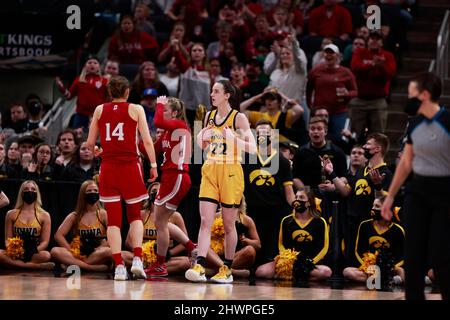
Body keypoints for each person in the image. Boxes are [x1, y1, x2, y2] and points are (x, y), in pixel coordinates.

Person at [381, 72, 450, 300]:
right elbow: (406, 162)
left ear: (425, 95)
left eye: (412, 93)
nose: (408, 98)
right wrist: (390, 196)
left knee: (441, 256)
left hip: (444, 193)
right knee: (413, 256)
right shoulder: (415, 123)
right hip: (417, 192)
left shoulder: (447, 121)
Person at [86, 75, 158, 281]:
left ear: (110, 93)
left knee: (113, 222)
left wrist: (99, 152)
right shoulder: (136, 109)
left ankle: (118, 266)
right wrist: (153, 165)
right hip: (130, 166)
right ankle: (137, 259)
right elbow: (147, 140)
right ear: (127, 92)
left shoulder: (100, 109)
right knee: (135, 216)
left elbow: (90, 144)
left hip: (108, 167)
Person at [185, 80, 257, 283]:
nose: (212, 94)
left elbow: (252, 148)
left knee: (228, 225)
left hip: (231, 170)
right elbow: (202, 145)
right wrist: (201, 137)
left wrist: (233, 139)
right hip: (210, 167)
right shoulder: (209, 116)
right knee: (206, 221)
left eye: (216, 91)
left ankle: (227, 268)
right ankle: (199, 265)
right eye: (211, 91)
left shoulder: (239, 118)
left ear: (227, 95)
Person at [144, 95, 195, 277]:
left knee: (160, 221)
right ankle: (191, 247)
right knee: (161, 221)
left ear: (174, 113)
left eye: (166, 110)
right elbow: (149, 150)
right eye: (163, 109)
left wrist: (159, 103)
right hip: (169, 177)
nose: (162, 112)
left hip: (178, 177)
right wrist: (134, 140)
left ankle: (161, 264)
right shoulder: (167, 133)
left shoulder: (180, 126)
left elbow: (157, 120)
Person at [255, 189, 331, 281]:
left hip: (309, 261)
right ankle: (299, 275)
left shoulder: (320, 221)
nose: (297, 200)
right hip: (289, 261)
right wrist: (287, 261)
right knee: (261, 271)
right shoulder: (286, 220)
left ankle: (293, 275)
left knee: (326, 272)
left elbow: (324, 247)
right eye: (296, 197)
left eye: (301, 197)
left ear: (309, 203)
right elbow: (281, 244)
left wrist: (309, 263)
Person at [124, 182, 198, 276]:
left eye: (160, 191)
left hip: (166, 259)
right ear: (148, 194)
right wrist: (144, 252)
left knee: (186, 263)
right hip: (143, 256)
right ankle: (144, 267)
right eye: (154, 191)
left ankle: (152, 268)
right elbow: (128, 241)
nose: (157, 193)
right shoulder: (141, 214)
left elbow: (184, 243)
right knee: (122, 255)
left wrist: (169, 253)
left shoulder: (175, 216)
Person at [343, 196, 405, 286]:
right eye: (373, 205)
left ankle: (378, 279)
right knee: (347, 271)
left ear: (386, 209)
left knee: (402, 271)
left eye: (377, 206)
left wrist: (389, 267)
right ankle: (386, 280)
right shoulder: (364, 225)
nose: (373, 208)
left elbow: (402, 255)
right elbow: (358, 250)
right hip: (369, 268)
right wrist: (367, 265)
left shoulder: (398, 230)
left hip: (390, 268)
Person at [51, 180, 111, 272]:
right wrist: (71, 250)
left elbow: (113, 236)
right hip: (78, 252)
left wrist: (98, 249)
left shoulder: (104, 214)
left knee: (108, 251)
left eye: (95, 191)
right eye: (89, 191)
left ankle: (75, 264)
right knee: (55, 251)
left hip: (96, 252)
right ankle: (90, 268)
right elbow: (58, 235)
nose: (93, 193)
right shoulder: (74, 216)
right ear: (83, 195)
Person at [0, 180, 54, 270]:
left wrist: (34, 250)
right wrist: (15, 251)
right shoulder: (11, 214)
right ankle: (36, 266)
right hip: (15, 253)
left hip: (34, 252)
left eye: (33, 189)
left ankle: (14, 265)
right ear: (21, 194)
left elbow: (45, 242)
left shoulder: (45, 215)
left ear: (37, 194)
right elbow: (7, 239)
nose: (30, 191)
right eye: (26, 189)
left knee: (46, 255)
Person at [55, 56, 109, 131]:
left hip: (98, 115)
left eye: (95, 63)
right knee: (77, 138)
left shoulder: (105, 81)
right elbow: (69, 96)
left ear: (99, 66)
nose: (92, 65)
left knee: (96, 139)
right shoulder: (79, 80)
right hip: (80, 115)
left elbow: (109, 98)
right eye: (89, 63)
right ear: (85, 66)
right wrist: (62, 88)